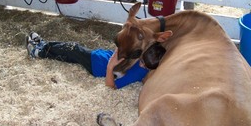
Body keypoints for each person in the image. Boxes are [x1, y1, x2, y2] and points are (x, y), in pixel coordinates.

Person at [26, 32, 166, 89]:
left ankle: (40, 50)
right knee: (71, 56)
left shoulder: (139, 73)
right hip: (99, 56)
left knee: (73, 48)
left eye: (145, 66)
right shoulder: (140, 52)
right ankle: (42, 46)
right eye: (142, 60)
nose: (141, 64)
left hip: (97, 65)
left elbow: (112, 86)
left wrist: (110, 67)